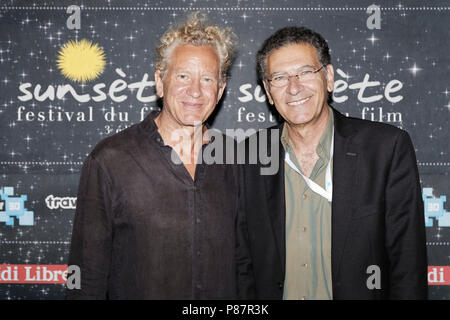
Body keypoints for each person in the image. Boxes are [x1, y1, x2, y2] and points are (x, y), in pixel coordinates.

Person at [237, 26, 427, 300]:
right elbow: (242, 263)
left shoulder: (386, 148)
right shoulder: (249, 155)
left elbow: (408, 266)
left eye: (305, 72)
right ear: (268, 90)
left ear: (329, 77)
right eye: (279, 77)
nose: (294, 87)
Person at [67, 12, 237, 299]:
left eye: (207, 79)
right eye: (183, 76)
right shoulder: (110, 160)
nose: (195, 91)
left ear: (220, 90)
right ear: (160, 81)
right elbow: (87, 274)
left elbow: (247, 267)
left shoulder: (238, 160)